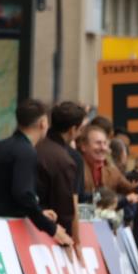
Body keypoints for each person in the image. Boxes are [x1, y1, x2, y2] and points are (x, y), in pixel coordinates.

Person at [0, 98, 72, 246]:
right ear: (43, 123)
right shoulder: (26, 152)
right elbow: (23, 195)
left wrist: (38, 212)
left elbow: (7, 193)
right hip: (6, 235)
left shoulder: (3, 146)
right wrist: (52, 228)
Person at [35, 101, 86, 244]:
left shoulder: (35, 145)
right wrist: (72, 242)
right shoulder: (67, 160)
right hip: (52, 232)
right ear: (72, 130)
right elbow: (68, 208)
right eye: (80, 128)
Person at [78, 123, 138, 197]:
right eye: (98, 143)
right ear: (83, 146)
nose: (103, 148)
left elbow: (130, 190)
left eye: (105, 143)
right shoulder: (75, 168)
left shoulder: (111, 170)